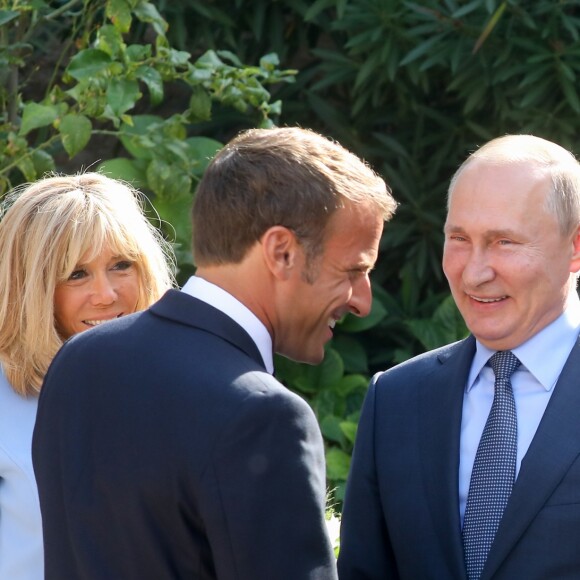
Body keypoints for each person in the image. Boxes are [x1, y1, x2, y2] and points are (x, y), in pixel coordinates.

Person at [32, 126, 397, 579]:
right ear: (281, 252)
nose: (362, 300)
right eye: (352, 270)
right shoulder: (262, 415)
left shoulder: (81, 361)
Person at [338, 134, 580, 580]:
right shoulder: (395, 399)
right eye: (459, 238)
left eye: (504, 242)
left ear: (575, 247)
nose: (474, 272)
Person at [0, 172, 175, 580]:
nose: (107, 294)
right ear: (33, 287)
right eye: (77, 274)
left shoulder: (181, 382)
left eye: (121, 265)